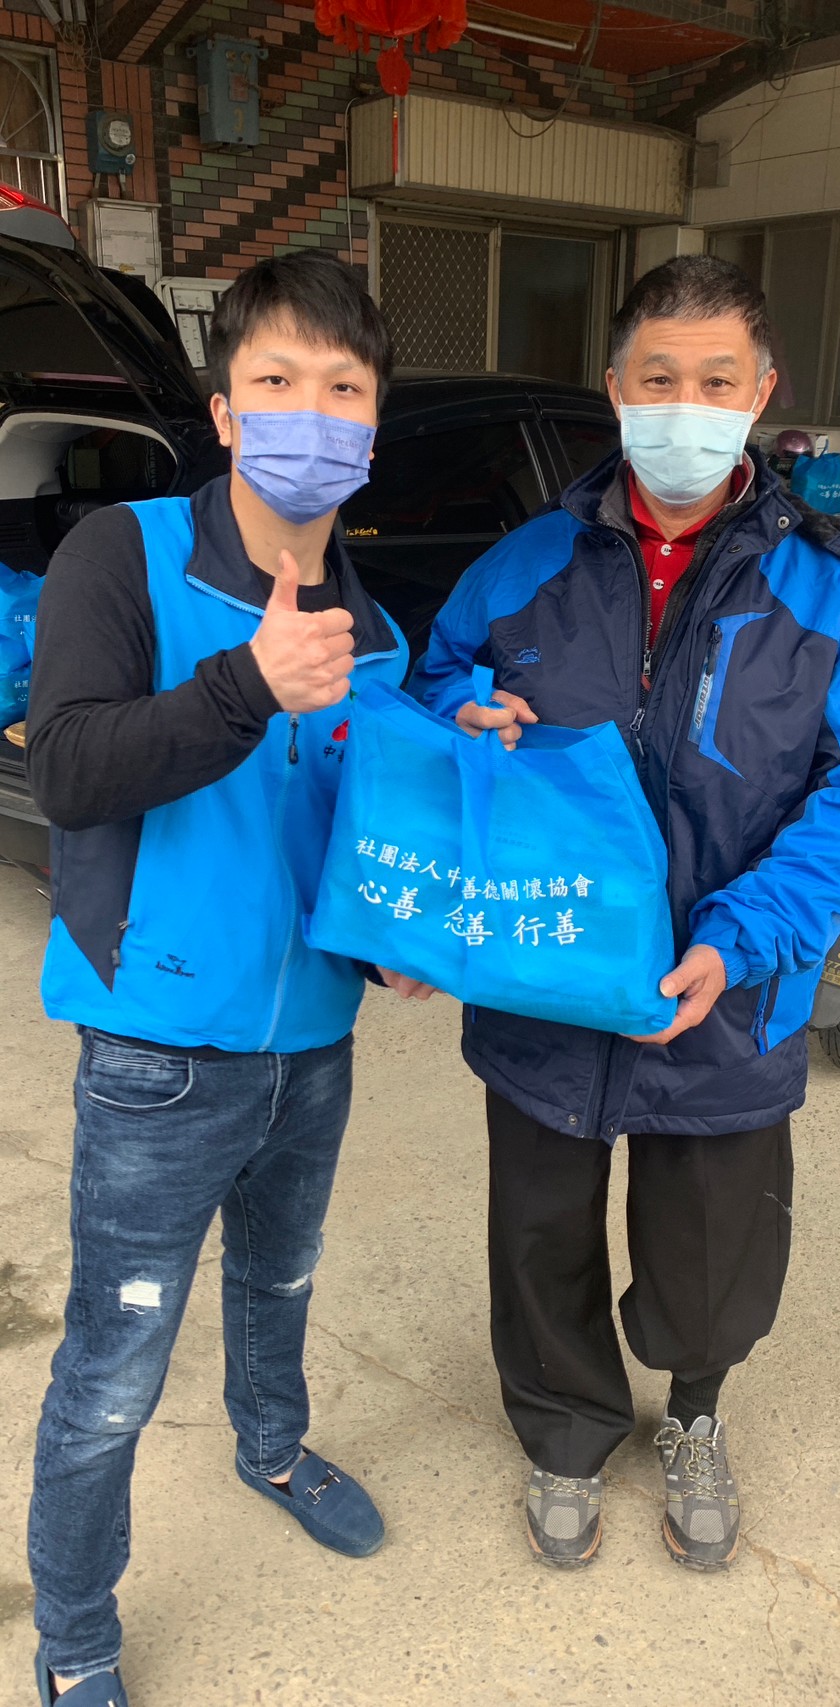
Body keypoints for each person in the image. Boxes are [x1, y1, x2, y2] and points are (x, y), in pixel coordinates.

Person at [415, 256, 840, 1571]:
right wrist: (458, 719)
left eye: (713, 380)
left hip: (729, 985)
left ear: (760, 393)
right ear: (615, 389)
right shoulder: (522, 565)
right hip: (544, 973)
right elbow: (431, 693)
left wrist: (741, 939)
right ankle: (566, 1427)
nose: (683, 405)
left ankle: (694, 1410)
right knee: (539, 1232)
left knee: (711, 1251)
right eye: (658, 378)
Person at [26, 253, 431, 1706]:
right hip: (160, 1049)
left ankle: (271, 1447)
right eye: (278, 381)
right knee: (112, 1370)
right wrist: (246, 686)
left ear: (372, 426)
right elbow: (70, 768)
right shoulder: (121, 556)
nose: (311, 411)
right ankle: (76, 1633)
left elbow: (352, 844)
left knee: (282, 1279)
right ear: (224, 411)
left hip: (312, 1045)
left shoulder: (379, 634)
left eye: (343, 388)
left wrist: (410, 907)